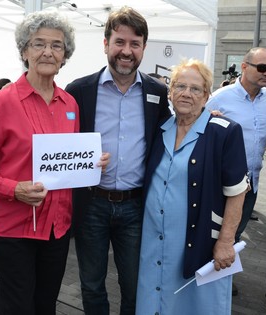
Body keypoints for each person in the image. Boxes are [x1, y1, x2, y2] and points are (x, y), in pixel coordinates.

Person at [0, 11, 107, 315]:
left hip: (57, 227)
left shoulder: (70, 104)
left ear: (64, 55)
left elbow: (65, 162)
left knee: (45, 305)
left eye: (56, 46)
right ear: (24, 51)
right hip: (14, 228)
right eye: (38, 43)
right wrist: (15, 189)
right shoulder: (1, 102)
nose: (47, 52)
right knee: (17, 306)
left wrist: (90, 163)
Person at [65, 6, 170, 315]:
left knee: (136, 284)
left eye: (134, 44)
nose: (126, 51)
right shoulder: (79, 91)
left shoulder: (158, 93)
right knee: (92, 283)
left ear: (143, 48)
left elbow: (175, 132)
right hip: (91, 204)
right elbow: (63, 142)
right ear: (106, 44)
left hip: (136, 206)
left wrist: (207, 116)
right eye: (119, 42)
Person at [136, 59, 249, 314]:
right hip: (154, 239)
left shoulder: (224, 132)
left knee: (195, 303)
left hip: (198, 240)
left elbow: (237, 193)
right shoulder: (159, 129)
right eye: (180, 86)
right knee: (154, 297)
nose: (186, 93)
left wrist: (225, 242)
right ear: (170, 92)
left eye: (196, 89)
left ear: (207, 95)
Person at [206, 47, 266, 244]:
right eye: (262, 67)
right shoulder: (221, 97)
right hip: (224, 183)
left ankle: (224, 272)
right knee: (215, 234)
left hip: (251, 182)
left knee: (234, 236)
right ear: (244, 67)